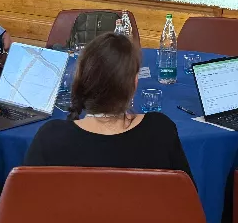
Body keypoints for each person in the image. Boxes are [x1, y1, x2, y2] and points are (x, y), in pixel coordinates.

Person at [24, 32, 192, 177]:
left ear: (81, 81)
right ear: (134, 84)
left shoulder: (50, 137)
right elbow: (186, 197)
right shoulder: (160, 131)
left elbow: (24, 200)